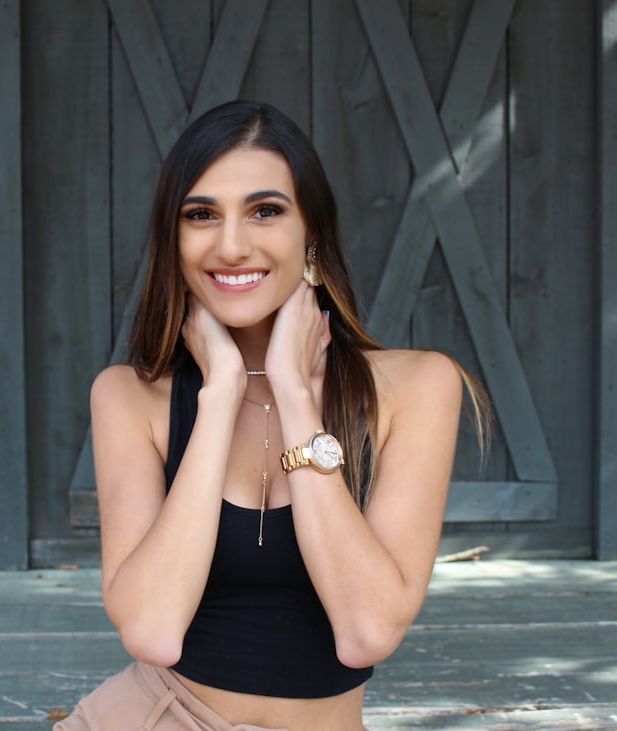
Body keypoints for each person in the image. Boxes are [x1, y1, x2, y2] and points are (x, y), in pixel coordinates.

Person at [54, 100, 489, 731]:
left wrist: (293, 390)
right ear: (173, 240)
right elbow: (152, 630)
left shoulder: (417, 387)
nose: (231, 246)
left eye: (265, 211)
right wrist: (221, 392)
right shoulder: (130, 396)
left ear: (310, 231)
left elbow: (366, 633)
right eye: (201, 215)